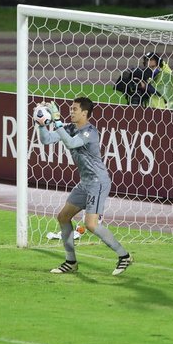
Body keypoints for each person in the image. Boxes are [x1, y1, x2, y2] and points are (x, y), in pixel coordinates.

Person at [34, 97, 134, 276]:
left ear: (84, 113)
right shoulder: (70, 127)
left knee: (91, 224)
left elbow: (72, 143)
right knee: (63, 217)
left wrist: (56, 121)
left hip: (98, 182)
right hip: (85, 183)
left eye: (74, 109)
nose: (71, 112)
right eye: (70, 109)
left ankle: (124, 255)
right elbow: (47, 140)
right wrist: (41, 124)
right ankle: (70, 262)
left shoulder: (90, 132)